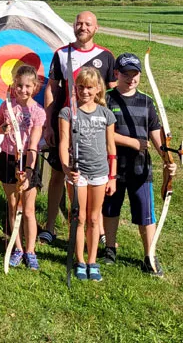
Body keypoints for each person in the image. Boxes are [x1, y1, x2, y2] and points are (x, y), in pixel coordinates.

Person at [40, 11, 117, 245]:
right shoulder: (62, 54)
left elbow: (112, 94)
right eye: (79, 23)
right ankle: (50, 227)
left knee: (98, 177)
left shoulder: (106, 56)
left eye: (88, 24)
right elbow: (52, 88)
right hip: (66, 124)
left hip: (95, 127)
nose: (82, 27)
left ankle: (99, 228)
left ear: (96, 28)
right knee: (57, 175)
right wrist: (48, 123)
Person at [103, 53, 177, 276]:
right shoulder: (106, 99)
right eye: (126, 74)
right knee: (110, 209)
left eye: (135, 74)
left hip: (140, 168)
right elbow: (102, 133)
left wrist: (167, 160)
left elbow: (156, 135)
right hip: (113, 166)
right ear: (116, 74)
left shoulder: (146, 101)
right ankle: (109, 249)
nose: (131, 79)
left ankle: (149, 255)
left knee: (145, 212)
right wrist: (134, 142)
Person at [58, 66, 117, 282]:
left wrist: (112, 176)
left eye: (89, 88)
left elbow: (111, 148)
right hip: (77, 174)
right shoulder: (67, 112)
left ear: (98, 89)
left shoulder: (106, 114)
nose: (84, 91)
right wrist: (66, 169)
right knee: (79, 217)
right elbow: (64, 143)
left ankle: (92, 261)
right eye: (81, 87)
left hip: (100, 173)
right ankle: (80, 260)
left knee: (94, 218)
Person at [0, 66, 45, 270]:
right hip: (8, 157)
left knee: (28, 209)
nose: (23, 90)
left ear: (35, 87)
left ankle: (30, 251)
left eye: (27, 86)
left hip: (28, 160)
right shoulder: (7, 106)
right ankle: (18, 248)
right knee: (13, 205)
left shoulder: (38, 112)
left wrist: (29, 170)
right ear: (14, 86)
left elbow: (33, 143)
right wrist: (2, 128)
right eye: (19, 86)